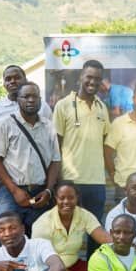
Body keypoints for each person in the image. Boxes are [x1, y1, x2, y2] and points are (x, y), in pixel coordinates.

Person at [0, 81, 61, 232]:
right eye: (26, 96)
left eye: (35, 96)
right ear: (18, 100)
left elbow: (55, 161)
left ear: (40, 100)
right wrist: (14, 190)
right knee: (10, 240)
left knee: (39, 240)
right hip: (10, 193)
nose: (31, 100)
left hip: (40, 193)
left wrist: (48, 191)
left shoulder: (48, 126)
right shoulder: (4, 124)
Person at [32, 182, 111, 271]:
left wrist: (125, 244)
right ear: (56, 199)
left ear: (77, 198)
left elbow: (103, 237)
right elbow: (39, 258)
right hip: (49, 268)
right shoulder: (44, 222)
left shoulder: (83, 215)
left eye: (71, 197)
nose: (66, 202)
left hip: (74, 262)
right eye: (62, 198)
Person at [53, 59, 110, 225]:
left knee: (95, 230)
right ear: (80, 77)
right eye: (89, 77)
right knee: (68, 229)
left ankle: (94, 254)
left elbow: (105, 143)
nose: (93, 82)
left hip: (97, 181)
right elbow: (56, 145)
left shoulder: (102, 107)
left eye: (98, 79)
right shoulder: (63, 105)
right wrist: (58, 179)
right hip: (71, 180)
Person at [104, 82, 136, 198]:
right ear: (133, 99)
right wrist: (113, 175)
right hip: (124, 186)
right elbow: (107, 152)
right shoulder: (119, 123)